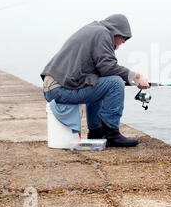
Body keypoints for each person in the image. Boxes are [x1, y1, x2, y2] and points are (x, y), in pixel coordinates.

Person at [41, 14, 150, 147]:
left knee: (102, 82)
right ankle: (111, 134)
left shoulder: (94, 30)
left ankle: (96, 132)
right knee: (115, 83)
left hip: (54, 87)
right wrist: (136, 76)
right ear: (116, 31)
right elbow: (108, 67)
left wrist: (130, 78)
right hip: (59, 89)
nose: (124, 41)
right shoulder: (103, 33)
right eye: (124, 37)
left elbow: (101, 71)